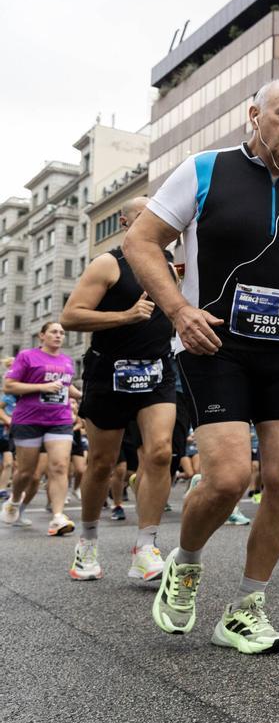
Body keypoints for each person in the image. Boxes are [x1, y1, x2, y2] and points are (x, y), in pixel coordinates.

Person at [124, 79, 279, 654]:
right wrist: (179, 311)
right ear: (254, 115)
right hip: (213, 344)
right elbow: (141, 242)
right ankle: (186, 562)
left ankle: (246, 608)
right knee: (225, 479)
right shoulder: (205, 169)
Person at [59, 197, 178, 582]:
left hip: (157, 370)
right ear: (126, 223)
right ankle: (88, 542)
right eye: (144, 215)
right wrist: (126, 316)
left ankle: (145, 548)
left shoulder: (168, 266)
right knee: (101, 462)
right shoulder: (108, 263)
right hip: (109, 371)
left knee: (160, 452)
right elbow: (70, 316)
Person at [1, 322, 82, 534]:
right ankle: (14, 500)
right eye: (54, 332)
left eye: (62, 333)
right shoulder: (27, 356)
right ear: (42, 335)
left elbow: (66, 387)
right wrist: (42, 387)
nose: (59, 336)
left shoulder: (67, 361)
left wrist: (83, 395)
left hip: (60, 419)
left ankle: (57, 517)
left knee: (60, 466)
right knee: (26, 472)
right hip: (29, 420)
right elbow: (9, 386)